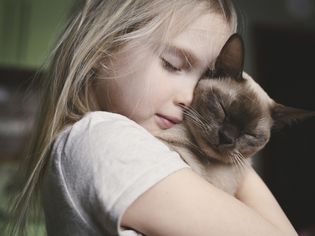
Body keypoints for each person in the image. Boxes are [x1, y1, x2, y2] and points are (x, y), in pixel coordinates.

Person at [9, 0, 298, 235]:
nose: (191, 96)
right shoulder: (101, 139)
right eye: (173, 65)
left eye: (205, 77)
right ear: (105, 45)